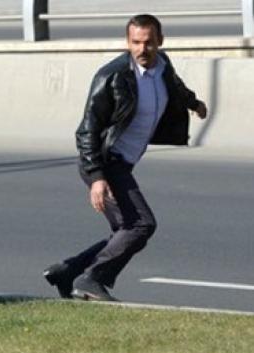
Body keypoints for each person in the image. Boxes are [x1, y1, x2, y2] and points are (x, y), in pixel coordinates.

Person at [43, 14, 208, 301]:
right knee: (141, 225)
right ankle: (92, 279)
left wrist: (194, 103)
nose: (142, 50)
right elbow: (87, 131)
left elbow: (175, 86)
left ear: (160, 41)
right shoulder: (112, 76)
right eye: (136, 43)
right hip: (105, 162)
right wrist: (97, 178)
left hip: (122, 162)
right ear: (127, 42)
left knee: (125, 231)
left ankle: (68, 272)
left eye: (148, 43)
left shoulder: (163, 64)